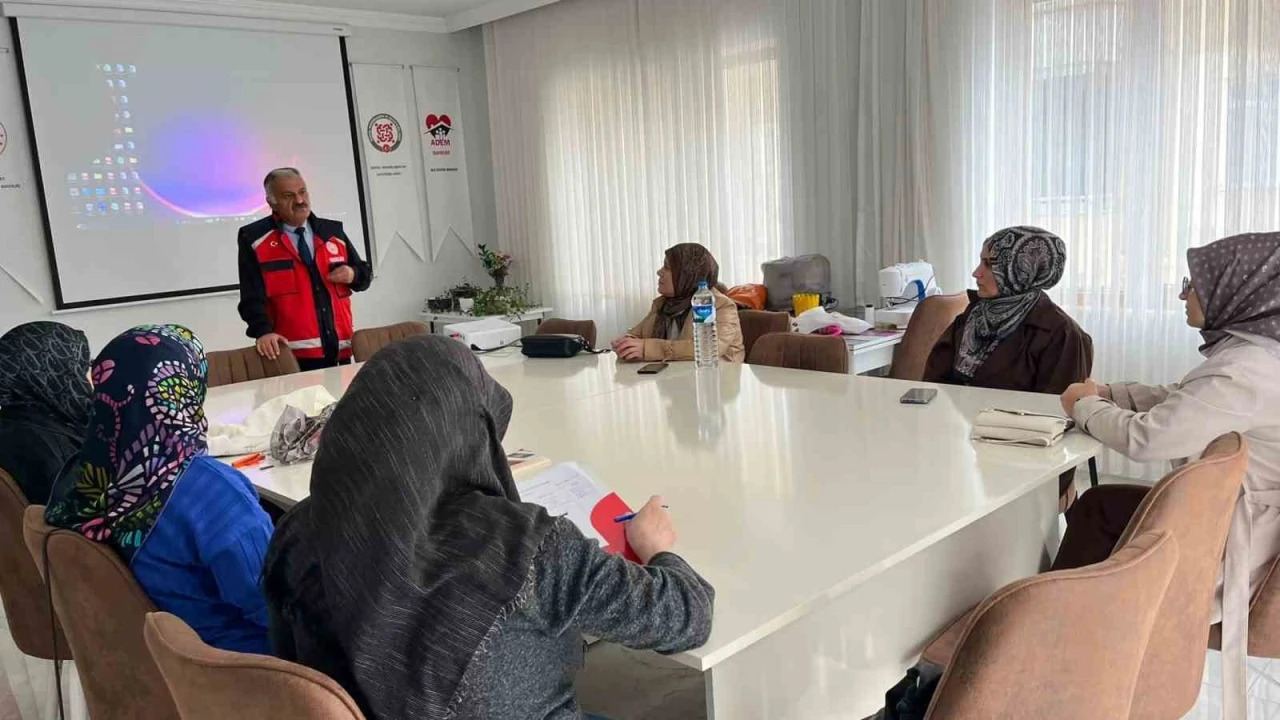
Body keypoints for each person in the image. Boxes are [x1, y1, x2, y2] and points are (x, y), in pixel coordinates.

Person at [263, 335, 714, 720]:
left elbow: (295, 676)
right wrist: (656, 547)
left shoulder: (296, 532)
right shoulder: (523, 546)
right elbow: (687, 616)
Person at [1056, 232, 1280, 718]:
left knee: (1100, 514)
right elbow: (1184, 400)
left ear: (1237, 291)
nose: (1181, 293)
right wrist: (1111, 393)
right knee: (1098, 507)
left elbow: (1148, 440)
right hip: (1228, 513)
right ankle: (1066, 630)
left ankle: (1064, 645)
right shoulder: (1255, 354)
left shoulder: (1245, 371)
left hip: (1232, 539)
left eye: (1193, 284)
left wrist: (1084, 406)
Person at [45, 324, 275, 654]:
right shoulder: (213, 490)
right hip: (246, 662)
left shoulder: (85, 475)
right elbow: (275, 608)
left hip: (165, 654)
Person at [924, 226, 1093, 393]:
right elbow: (934, 382)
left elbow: (1060, 406)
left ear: (1022, 270)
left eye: (989, 264)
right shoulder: (975, 314)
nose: (976, 273)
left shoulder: (1062, 334)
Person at [237, 168, 372, 371]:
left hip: (340, 350)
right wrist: (262, 332)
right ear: (272, 202)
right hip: (288, 356)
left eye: (303, 192)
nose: (300, 200)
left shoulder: (332, 232)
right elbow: (251, 296)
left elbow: (365, 274)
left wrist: (353, 274)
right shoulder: (254, 238)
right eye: (288, 196)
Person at [0, 322, 93, 503]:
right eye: (84, 367)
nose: (92, 377)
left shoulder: (14, 423)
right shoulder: (43, 443)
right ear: (58, 373)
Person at [612, 243, 745, 363]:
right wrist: (626, 344)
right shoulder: (663, 304)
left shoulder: (719, 305)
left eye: (667, 267)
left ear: (687, 274)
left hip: (715, 377)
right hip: (673, 378)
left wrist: (648, 348)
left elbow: (708, 347)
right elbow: (637, 334)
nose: (659, 272)